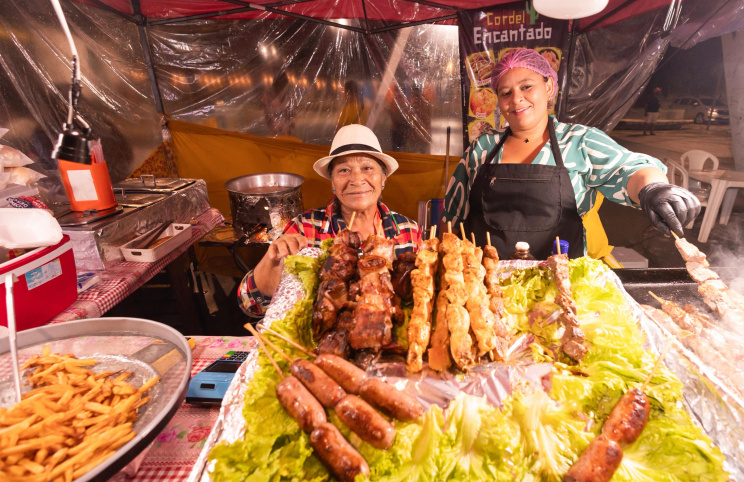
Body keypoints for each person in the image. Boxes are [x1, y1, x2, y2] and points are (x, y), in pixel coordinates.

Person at [441, 48, 699, 261]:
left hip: (561, 287)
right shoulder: (482, 148)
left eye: (526, 86)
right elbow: (452, 217)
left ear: (549, 87)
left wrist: (652, 188)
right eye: (505, 92)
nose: (516, 99)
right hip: (485, 284)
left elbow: (629, 169)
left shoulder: (579, 141)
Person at [238, 124, 422, 317]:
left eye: (367, 168)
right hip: (321, 342)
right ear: (332, 182)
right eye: (344, 170)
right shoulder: (304, 227)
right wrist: (272, 260)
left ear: (383, 178)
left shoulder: (408, 230)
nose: (357, 179)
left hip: (384, 337)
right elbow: (250, 305)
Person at [263, 72, 296, 137]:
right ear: (277, 84)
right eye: (282, 83)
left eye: (285, 84)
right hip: (274, 132)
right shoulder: (268, 97)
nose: (283, 86)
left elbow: (291, 115)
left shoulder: (289, 98)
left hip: (287, 132)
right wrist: (274, 130)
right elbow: (267, 116)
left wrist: (290, 124)